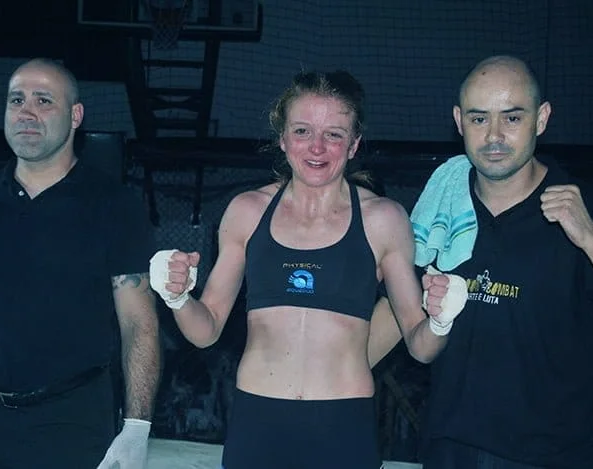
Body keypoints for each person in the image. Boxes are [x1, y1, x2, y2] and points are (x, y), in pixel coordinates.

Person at [148, 70, 465, 469]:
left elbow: (421, 347)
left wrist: (440, 319)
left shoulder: (383, 219)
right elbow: (205, 329)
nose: (317, 147)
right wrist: (177, 297)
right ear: (282, 138)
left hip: (342, 424)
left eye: (334, 134)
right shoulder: (247, 211)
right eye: (302, 131)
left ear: (354, 144)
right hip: (257, 422)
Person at [0, 58, 161, 469]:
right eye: (16, 100)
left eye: (44, 100)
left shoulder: (115, 205)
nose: (26, 112)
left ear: (75, 116)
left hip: (72, 421)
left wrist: (137, 424)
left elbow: (138, 321)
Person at [380, 55, 593, 469]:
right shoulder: (441, 208)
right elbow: (398, 314)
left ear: (541, 119)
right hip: (449, 448)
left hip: (555, 456)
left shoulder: (587, 208)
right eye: (479, 118)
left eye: (513, 118)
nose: (494, 136)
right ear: (459, 121)